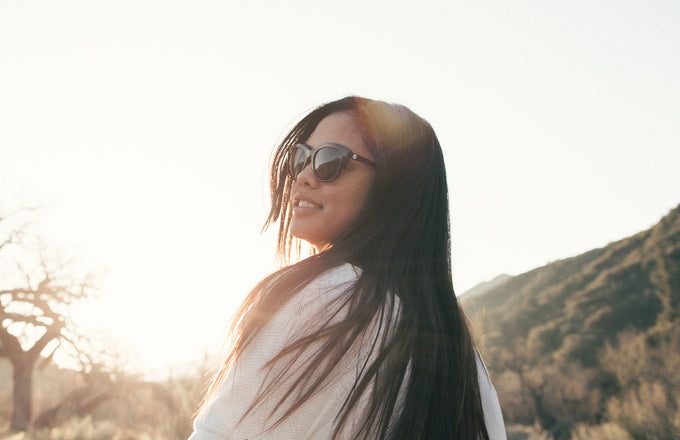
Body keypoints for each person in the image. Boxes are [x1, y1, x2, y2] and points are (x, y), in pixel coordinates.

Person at [189, 96, 506, 439]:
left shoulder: (326, 296)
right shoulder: (460, 355)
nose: (305, 176)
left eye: (331, 161)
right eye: (301, 157)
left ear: (392, 186)